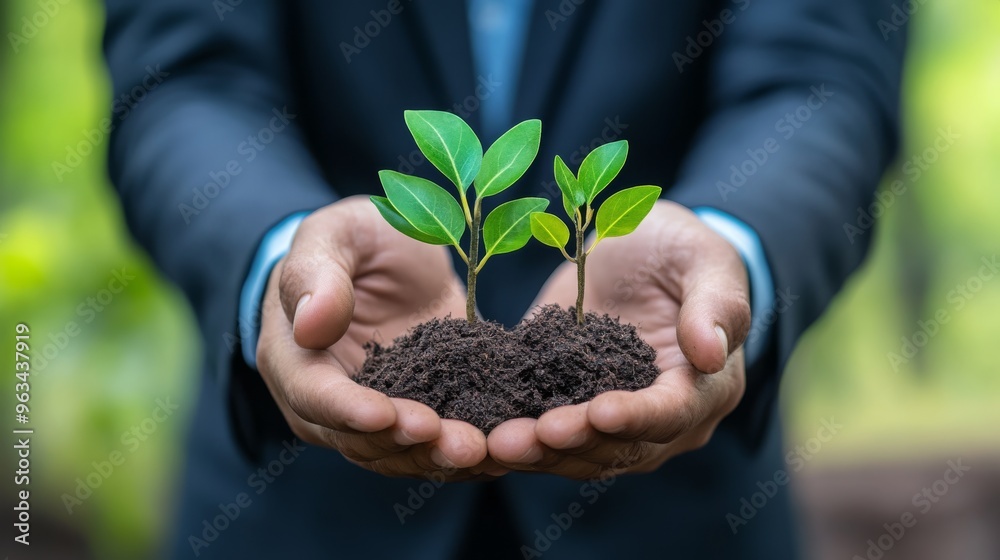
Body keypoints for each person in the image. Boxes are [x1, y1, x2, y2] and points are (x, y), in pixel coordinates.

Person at [102, 0, 906, 558]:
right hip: (297, 512)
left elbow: (819, 78)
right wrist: (283, 263)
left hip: (675, 515)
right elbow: (182, 81)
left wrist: (728, 250)